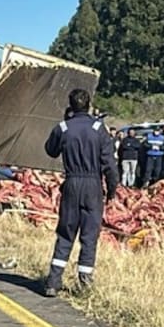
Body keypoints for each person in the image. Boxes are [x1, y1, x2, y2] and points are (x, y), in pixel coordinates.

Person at [43, 89, 118, 297]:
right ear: (89, 104)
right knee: (89, 235)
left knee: (66, 233)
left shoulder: (63, 127)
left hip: (71, 183)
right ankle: (85, 283)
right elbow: (110, 164)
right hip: (93, 185)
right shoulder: (98, 128)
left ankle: (53, 281)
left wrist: (64, 122)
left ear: (70, 105)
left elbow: (50, 150)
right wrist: (112, 190)